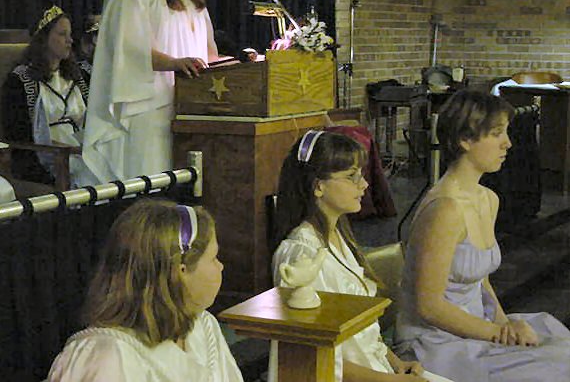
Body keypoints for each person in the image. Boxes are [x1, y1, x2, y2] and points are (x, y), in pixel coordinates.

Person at [394, 90, 570, 381]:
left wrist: (503, 325)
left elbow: (481, 283)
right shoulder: (445, 209)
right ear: (465, 139)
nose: (508, 143)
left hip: (477, 326)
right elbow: (429, 307)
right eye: (497, 133)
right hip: (436, 341)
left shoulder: (488, 198)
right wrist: (499, 334)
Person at [269, 130, 453, 382]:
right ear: (319, 186)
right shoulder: (301, 256)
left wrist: (396, 364)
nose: (364, 184)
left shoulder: (338, 236)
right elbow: (311, 356)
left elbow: (364, 333)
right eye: (351, 176)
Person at [82, 0, 219, 183]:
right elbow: (126, 47)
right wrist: (175, 63)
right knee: (152, 181)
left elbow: (208, 52)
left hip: (188, 107)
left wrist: (243, 64)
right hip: (148, 104)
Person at [47, 198, 243, 382]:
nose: (220, 267)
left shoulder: (202, 327)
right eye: (213, 258)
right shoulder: (106, 357)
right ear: (180, 272)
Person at [1, 5, 93, 187]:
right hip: (45, 160)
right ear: (43, 39)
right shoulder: (20, 81)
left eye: (70, 34)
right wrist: (62, 152)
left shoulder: (80, 75)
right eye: (62, 34)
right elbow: (17, 135)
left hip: (83, 153)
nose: (70, 40)